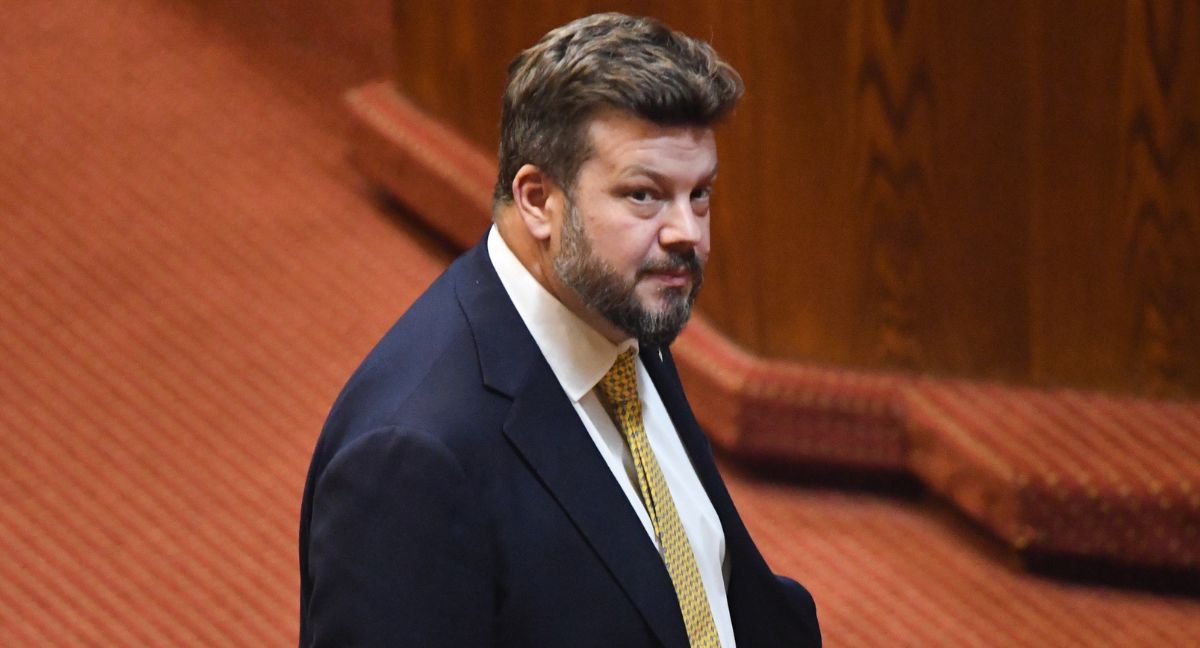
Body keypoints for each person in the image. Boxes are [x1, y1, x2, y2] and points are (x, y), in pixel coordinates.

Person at [298, 12, 821, 647]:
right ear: (538, 200)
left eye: (700, 194)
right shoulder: (410, 463)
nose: (689, 233)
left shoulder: (618, 311)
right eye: (644, 195)